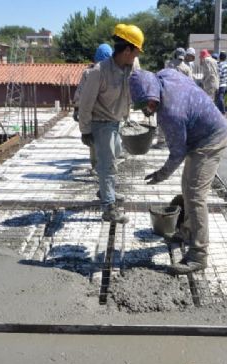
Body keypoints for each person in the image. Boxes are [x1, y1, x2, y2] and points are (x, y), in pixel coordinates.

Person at [129, 69, 227, 275]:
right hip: (201, 130)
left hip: (211, 139)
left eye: (149, 103)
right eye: (144, 105)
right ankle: (187, 232)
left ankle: (198, 255)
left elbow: (177, 153)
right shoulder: (165, 74)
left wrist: (161, 175)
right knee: (187, 188)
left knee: (195, 196)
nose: (148, 109)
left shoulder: (170, 113)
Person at [77, 24, 143, 224]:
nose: (137, 56)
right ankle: (108, 208)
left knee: (114, 160)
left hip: (116, 122)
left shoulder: (132, 67)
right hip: (101, 124)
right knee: (107, 166)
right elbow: (85, 104)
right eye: (136, 51)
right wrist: (85, 130)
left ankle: (107, 191)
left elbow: (139, 86)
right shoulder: (99, 72)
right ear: (127, 50)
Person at [73, 43, 113, 173]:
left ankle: (96, 166)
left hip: (93, 114)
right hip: (109, 114)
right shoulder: (113, 72)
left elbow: (80, 93)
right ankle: (106, 165)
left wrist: (77, 108)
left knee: (93, 141)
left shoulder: (89, 72)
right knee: (108, 140)